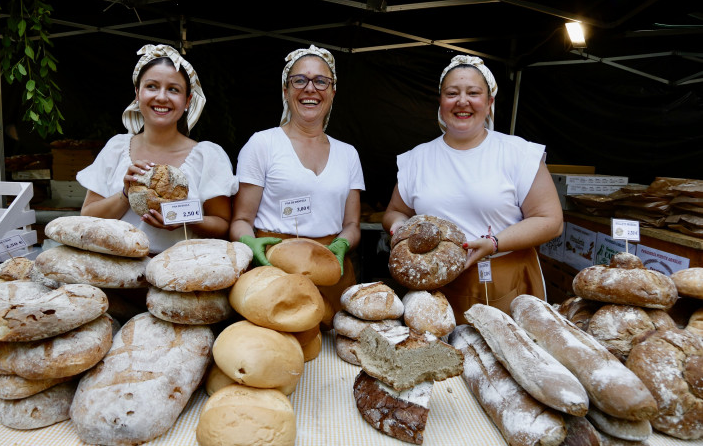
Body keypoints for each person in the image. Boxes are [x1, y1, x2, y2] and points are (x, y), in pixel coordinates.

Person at [382, 55, 563, 324]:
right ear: (441, 103)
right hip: (435, 287)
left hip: (505, 279)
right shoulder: (417, 159)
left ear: (489, 103)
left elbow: (550, 221)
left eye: (473, 93)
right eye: (452, 93)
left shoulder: (518, 153)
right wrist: (400, 227)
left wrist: (494, 243)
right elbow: (395, 211)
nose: (462, 101)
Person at [230, 44, 365, 323]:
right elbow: (241, 218)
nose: (310, 89)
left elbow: (352, 224)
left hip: (331, 273)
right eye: (299, 80)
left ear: (333, 92)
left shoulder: (348, 154)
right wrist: (250, 245)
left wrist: (342, 244)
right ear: (285, 90)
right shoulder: (262, 144)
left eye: (321, 81)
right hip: (275, 270)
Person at [77, 44, 238, 254]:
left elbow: (222, 224)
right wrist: (126, 193)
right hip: (117, 272)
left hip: (181, 273)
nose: (162, 97)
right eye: (152, 86)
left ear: (188, 100)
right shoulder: (116, 148)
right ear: (137, 93)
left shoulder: (207, 156)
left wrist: (182, 220)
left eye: (173, 89)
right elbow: (87, 217)